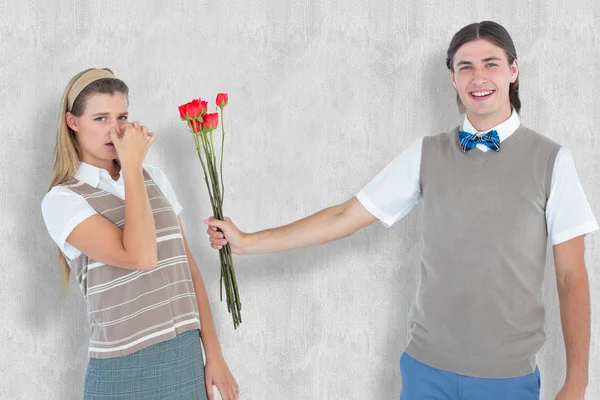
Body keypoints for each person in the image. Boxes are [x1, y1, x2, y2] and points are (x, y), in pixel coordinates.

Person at [205, 21, 597, 399]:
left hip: (508, 377)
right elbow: (345, 217)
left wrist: (576, 382)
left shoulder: (551, 161)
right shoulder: (427, 154)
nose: (478, 77)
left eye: (490, 64)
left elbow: (570, 275)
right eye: (466, 67)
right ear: (453, 79)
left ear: (513, 70)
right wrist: (246, 242)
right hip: (425, 371)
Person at [42, 68, 239, 400]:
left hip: (186, 355)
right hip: (122, 366)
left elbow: (187, 269)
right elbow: (141, 256)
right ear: (73, 122)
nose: (115, 129)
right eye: (100, 118)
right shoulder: (62, 200)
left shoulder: (156, 179)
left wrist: (214, 355)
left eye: (121, 117)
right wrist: (131, 166)